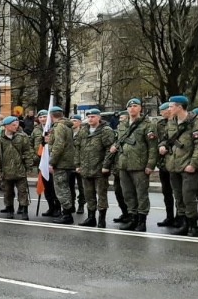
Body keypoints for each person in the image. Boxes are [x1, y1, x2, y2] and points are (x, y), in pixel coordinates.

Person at [159, 95, 198, 236]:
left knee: (188, 197)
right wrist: (162, 146)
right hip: (173, 166)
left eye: (171, 106)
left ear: (180, 107)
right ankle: (184, 223)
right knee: (179, 197)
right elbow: (166, 139)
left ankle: (193, 226)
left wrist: (193, 164)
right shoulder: (171, 122)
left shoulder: (195, 123)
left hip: (188, 167)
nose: (169, 109)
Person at [111, 99, 157, 232]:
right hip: (124, 165)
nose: (132, 108)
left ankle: (142, 221)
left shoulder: (148, 125)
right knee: (128, 194)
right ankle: (133, 217)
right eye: (129, 106)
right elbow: (119, 142)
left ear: (140, 108)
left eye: (135, 106)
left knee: (141, 194)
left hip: (140, 166)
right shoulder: (123, 125)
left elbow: (152, 147)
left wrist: (150, 165)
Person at [74, 109, 114, 228]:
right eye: (89, 117)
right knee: (88, 194)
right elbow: (77, 148)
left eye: (93, 116)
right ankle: (91, 217)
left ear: (99, 118)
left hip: (100, 168)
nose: (90, 119)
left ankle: (102, 219)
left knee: (101, 194)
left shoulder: (106, 130)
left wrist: (106, 166)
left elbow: (109, 150)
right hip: (86, 168)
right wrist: (77, 164)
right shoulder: (84, 130)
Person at [0, 115, 33, 219]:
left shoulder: (22, 137)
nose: (16, 126)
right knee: (8, 192)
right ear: (6, 126)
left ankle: (24, 211)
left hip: (20, 170)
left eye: (17, 124)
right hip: (6, 172)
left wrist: (29, 166)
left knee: (23, 192)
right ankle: (10, 209)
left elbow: (28, 152)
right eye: (13, 125)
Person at [44, 106, 76, 224]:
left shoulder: (59, 127)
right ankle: (68, 211)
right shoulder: (67, 125)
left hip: (61, 163)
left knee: (62, 189)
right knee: (66, 188)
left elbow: (58, 146)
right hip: (67, 162)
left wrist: (52, 162)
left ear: (51, 116)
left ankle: (67, 215)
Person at [155, 103, 177, 227]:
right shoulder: (160, 124)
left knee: (179, 193)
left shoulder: (179, 122)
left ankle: (181, 217)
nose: (162, 113)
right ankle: (169, 216)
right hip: (164, 163)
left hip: (177, 162)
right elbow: (158, 141)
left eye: (163, 110)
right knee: (167, 192)